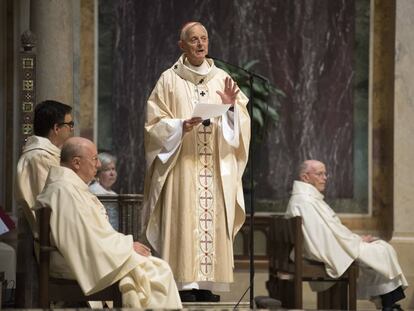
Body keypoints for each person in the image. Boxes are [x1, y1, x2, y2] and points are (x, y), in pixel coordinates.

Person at [144, 21, 251, 302]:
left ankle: (205, 284)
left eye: (204, 38)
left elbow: (241, 121)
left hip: (214, 166)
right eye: (194, 39)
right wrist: (181, 125)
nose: (200, 44)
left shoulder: (222, 78)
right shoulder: (168, 79)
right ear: (182, 45)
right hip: (182, 164)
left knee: (212, 221)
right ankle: (182, 285)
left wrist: (230, 108)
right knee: (183, 219)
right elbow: (153, 125)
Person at [34, 137, 182, 309]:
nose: (98, 165)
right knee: (159, 271)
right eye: (95, 158)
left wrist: (125, 246)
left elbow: (91, 233)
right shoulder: (64, 190)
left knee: (151, 268)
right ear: (76, 163)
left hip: (86, 253)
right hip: (73, 261)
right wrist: (127, 247)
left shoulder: (69, 187)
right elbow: (83, 239)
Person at [286, 160, 408, 310]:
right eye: (319, 174)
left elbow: (329, 231)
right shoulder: (305, 201)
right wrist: (354, 242)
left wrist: (356, 239)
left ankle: (388, 304)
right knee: (382, 249)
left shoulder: (307, 199)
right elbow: (322, 238)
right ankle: (388, 305)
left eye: (325, 173)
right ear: (305, 177)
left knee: (380, 249)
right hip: (323, 251)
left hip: (330, 246)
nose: (325, 177)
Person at [16, 99, 74, 232]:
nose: (72, 129)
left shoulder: (48, 153)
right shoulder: (40, 156)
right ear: (56, 128)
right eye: (70, 124)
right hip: (45, 236)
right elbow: (48, 201)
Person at [89, 152, 119, 230]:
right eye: (107, 170)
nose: (112, 173)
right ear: (98, 173)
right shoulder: (94, 190)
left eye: (113, 169)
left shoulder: (113, 193)